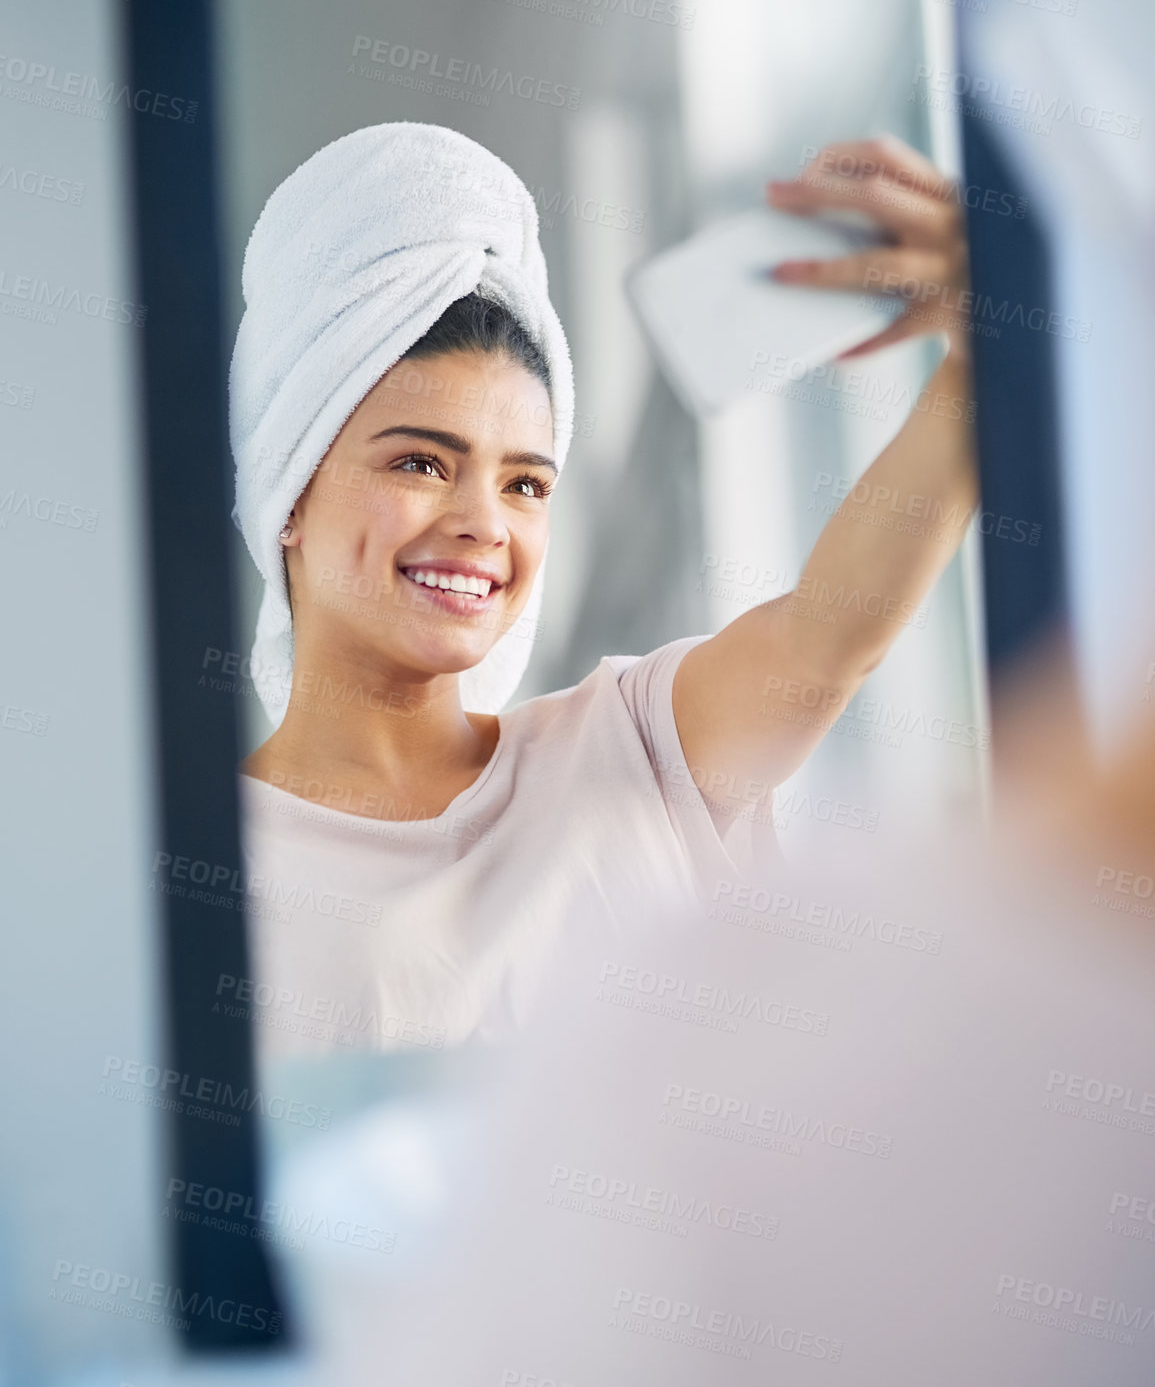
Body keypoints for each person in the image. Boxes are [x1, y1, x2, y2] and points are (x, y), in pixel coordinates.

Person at [231, 122, 975, 1056]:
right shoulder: (202, 877)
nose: (485, 523)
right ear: (289, 493)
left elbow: (829, 639)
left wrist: (981, 346)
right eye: (421, 462)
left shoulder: (633, 749)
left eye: (525, 484)